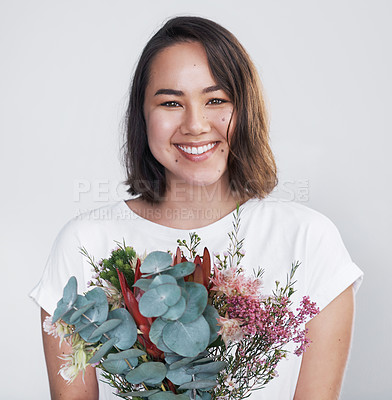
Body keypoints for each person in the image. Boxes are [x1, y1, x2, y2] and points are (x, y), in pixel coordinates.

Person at [30, 16, 363, 400]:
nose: (195, 124)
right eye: (171, 102)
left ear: (246, 109)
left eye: (216, 100)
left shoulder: (309, 240)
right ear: (143, 114)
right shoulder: (84, 243)